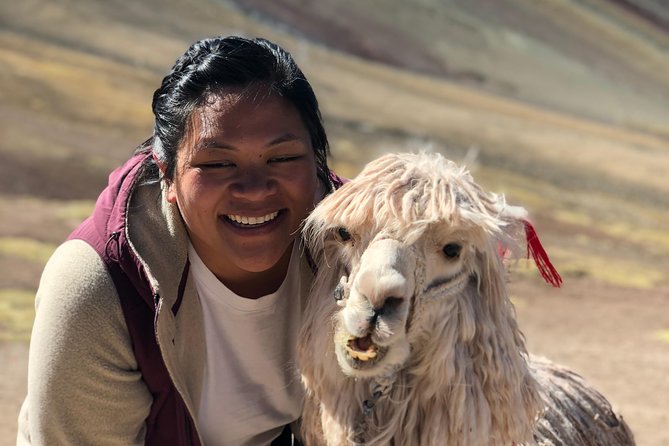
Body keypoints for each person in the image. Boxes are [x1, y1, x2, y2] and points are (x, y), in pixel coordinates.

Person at [17, 35, 340, 445]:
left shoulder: (361, 252)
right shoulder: (103, 284)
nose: (255, 189)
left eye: (282, 158)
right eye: (217, 163)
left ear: (317, 162)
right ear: (167, 175)